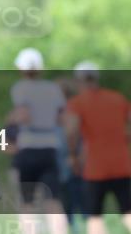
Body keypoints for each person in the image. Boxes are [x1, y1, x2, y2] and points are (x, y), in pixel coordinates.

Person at [63, 62, 131, 234]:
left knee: (95, 216)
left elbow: (71, 130)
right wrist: (124, 139)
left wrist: (72, 155)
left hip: (95, 166)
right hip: (122, 163)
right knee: (129, 211)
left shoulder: (77, 103)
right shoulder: (117, 98)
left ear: (78, 81)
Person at [8, 48, 69, 234]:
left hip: (28, 145)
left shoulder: (20, 88)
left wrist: (11, 121)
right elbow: (62, 118)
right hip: (50, 146)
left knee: (27, 202)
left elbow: (23, 114)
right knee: (53, 200)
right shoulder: (53, 88)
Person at [56, 78, 86, 234]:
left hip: (74, 164)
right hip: (59, 166)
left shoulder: (75, 110)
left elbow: (81, 137)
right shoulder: (52, 113)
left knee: (80, 205)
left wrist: (77, 158)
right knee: (66, 206)